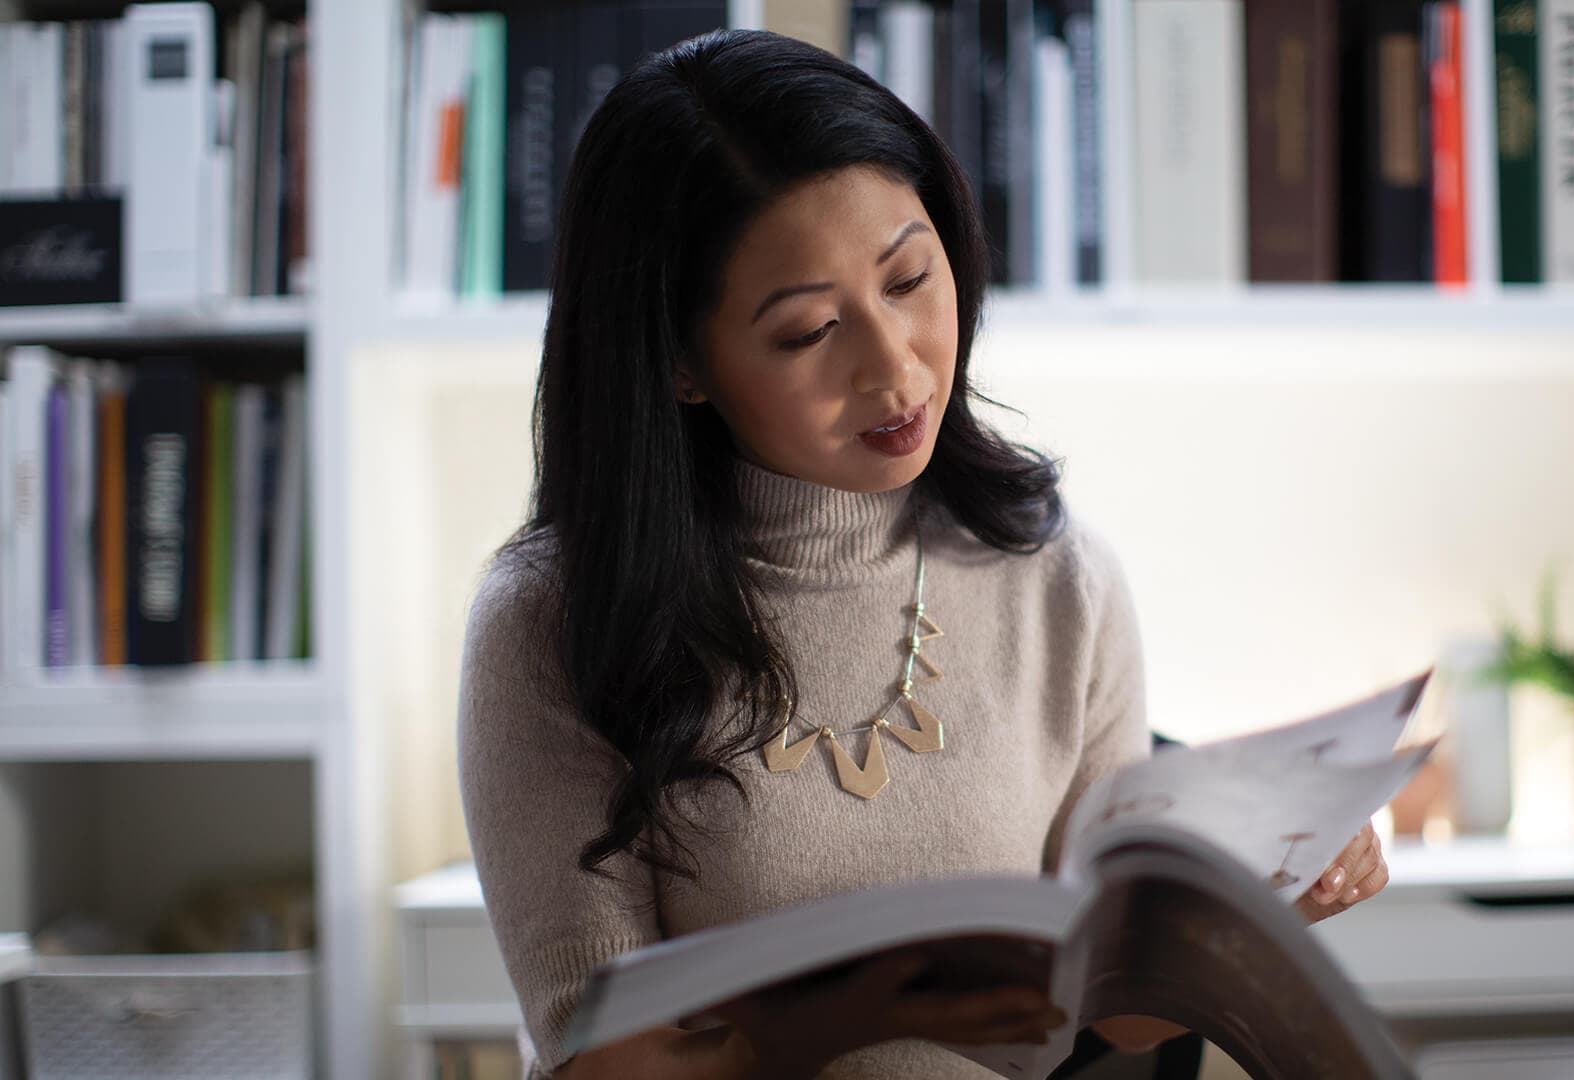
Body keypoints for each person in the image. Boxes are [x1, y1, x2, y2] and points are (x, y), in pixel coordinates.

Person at [456, 28, 1388, 1080]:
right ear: (680, 365)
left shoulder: (1055, 576)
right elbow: (595, 1062)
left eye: (909, 278)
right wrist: (856, 1014)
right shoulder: (554, 621)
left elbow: (1100, 1029)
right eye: (810, 332)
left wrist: (1241, 921)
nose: (896, 370)